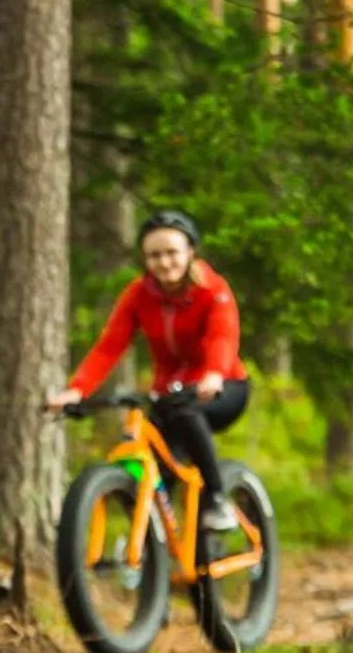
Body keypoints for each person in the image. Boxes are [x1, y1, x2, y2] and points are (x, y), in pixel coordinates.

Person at [45, 209, 247, 532]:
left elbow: (223, 335)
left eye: (172, 253)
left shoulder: (212, 289)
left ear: (190, 252)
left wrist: (213, 373)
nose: (164, 262)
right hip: (169, 394)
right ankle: (160, 546)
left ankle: (218, 499)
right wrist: (77, 390)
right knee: (150, 464)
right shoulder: (139, 295)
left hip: (224, 386)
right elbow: (109, 346)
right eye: (154, 255)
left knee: (187, 415)